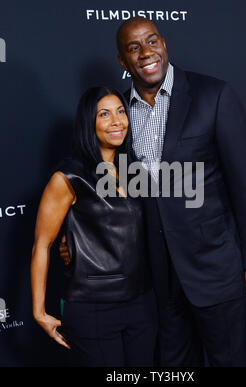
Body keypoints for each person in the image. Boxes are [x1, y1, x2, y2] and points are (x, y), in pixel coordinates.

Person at [60, 17, 246, 367]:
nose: (146, 52)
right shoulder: (120, 114)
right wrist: (76, 237)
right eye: (133, 47)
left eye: (151, 41)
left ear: (164, 44)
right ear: (123, 61)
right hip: (157, 281)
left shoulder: (213, 96)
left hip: (214, 269)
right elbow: (104, 181)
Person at [31, 86, 157, 367]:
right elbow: (42, 245)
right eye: (104, 114)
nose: (116, 121)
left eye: (121, 111)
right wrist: (39, 311)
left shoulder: (134, 170)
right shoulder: (69, 177)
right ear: (89, 123)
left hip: (142, 304)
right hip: (93, 308)